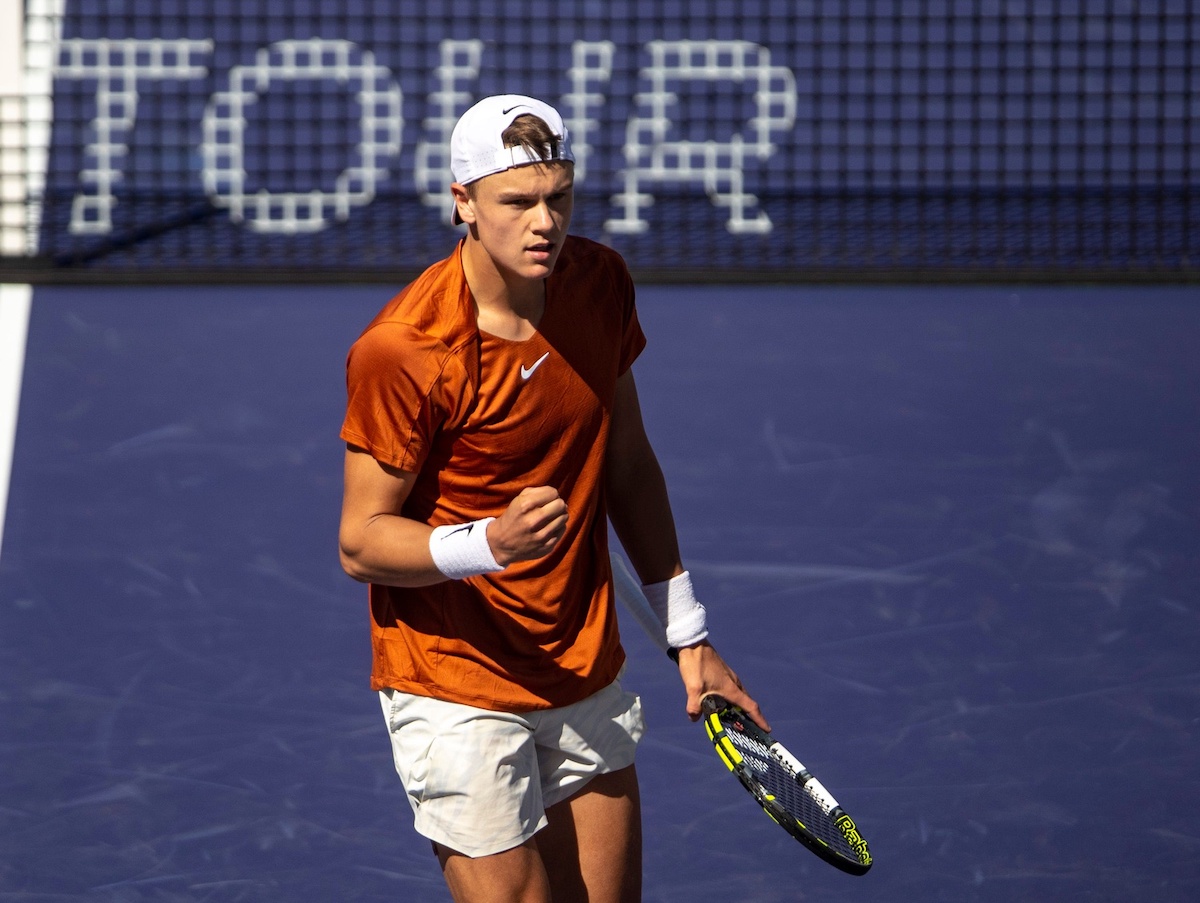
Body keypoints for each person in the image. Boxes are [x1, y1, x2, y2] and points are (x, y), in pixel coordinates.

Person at [338, 94, 767, 903]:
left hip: (579, 663)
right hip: (452, 681)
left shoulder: (598, 283)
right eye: (517, 202)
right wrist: (485, 544)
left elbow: (629, 464)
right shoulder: (404, 351)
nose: (545, 223)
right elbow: (360, 541)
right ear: (462, 202)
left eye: (558, 197)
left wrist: (689, 634)